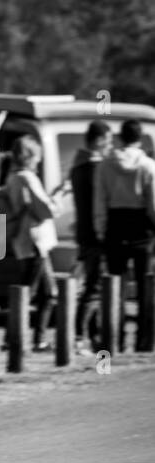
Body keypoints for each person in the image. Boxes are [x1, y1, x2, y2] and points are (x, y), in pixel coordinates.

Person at [94, 119, 155, 349]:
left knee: (115, 287)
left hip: (115, 226)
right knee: (144, 286)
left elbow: (99, 201)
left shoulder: (105, 165)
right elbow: (153, 204)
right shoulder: (148, 166)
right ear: (140, 138)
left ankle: (114, 339)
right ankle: (144, 340)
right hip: (141, 227)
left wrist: (101, 229)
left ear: (121, 136)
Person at [5, 135, 59, 351]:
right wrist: (58, 196)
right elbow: (45, 210)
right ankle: (19, 339)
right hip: (35, 241)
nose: (38, 161)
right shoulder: (27, 178)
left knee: (46, 293)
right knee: (28, 292)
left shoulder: (12, 177)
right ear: (29, 156)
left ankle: (36, 338)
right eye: (37, 156)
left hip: (24, 241)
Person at [70, 120, 112, 347]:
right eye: (108, 140)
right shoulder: (96, 169)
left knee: (92, 287)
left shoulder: (77, 167)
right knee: (94, 289)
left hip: (83, 234)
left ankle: (93, 336)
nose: (110, 145)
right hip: (96, 234)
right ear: (99, 140)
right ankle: (80, 336)